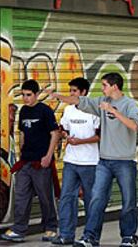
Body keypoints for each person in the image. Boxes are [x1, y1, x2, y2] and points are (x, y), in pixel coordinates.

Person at [50, 73, 138, 247]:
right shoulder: (101, 101)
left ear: (114, 86)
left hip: (125, 161)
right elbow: (80, 101)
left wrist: (113, 111)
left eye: (105, 85)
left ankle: (129, 236)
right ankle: (90, 237)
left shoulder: (129, 104)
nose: (102, 88)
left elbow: (135, 125)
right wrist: (58, 96)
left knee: (128, 200)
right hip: (104, 162)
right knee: (96, 200)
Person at [2, 79, 60, 243]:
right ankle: (19, 229)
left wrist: (48, 156)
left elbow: (55, 134)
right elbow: (22, 133)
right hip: (26, 162)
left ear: (36, 95)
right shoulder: (24, 111)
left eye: (29, 95)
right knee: (21, 196)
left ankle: (51, 228)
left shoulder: (45, 111)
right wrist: (21, 153)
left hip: (41, 162)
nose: (26, 98)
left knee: (45, 197)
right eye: (23, 95)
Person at [51, 78, 100, 245]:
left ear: (84, 93)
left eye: (74, 91)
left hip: (90, 162)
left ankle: (90, 235)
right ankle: (66, 234)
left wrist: (80, 141)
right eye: (70, 90)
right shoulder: (68, 110)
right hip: (71, 161)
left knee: (90, 200)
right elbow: (63, 128)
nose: (71, 94)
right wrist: (65, 136)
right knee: (66, 197)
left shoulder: (94, 111)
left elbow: (99, 136)